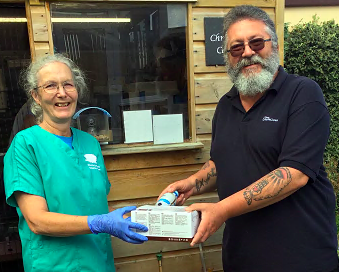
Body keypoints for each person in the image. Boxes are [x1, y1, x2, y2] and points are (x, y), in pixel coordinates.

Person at [158, 5, 338, 272]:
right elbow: (223, 162)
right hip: (241, 258)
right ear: (229, 57)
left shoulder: (303, 94)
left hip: (300, 258)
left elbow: (295, 173)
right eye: (237, 48)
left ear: (274, 45)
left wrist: (221, 209)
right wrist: (192, 184)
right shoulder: (226, 105)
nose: (248, 53)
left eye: (256, 42)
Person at [3, 54, 148, 272]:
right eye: (50, 86)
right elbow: (37, 220)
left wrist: (131, 218)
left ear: (77, 90)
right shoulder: (25, 145)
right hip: (56, 265)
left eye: (68, 84)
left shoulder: (90, 143)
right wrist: (99, 223)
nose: (62, 93)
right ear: (36, 96)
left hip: (99, 262)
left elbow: (94, 205)